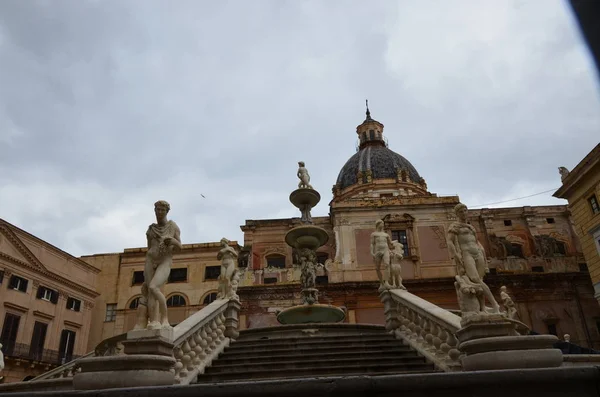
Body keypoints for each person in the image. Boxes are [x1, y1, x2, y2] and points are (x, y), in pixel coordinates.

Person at [447, 203, 499, 313]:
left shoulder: (471, 227)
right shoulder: (454, 226)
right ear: (457, 214)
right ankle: (495, 304)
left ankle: (483, 307)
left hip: (478, 253)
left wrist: (483, 252)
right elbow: (450, 242)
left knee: (479, 281)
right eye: (461, 211)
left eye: (465, 210)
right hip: (466, 254)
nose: (464, 213)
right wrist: (456, 255)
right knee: (475, 279)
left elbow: (476, 241)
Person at [144, 200, 182, 329]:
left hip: (165, 260)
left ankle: (165, 319)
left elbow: (180, 247)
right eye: (157, 210)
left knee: (154, 287)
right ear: (155, 211)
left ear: (167, 211)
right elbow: (149, 247)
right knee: (150, 292)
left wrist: (173, 241)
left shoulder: (173, 226)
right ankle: (154, 321)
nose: (159, 212)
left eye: (162, 210)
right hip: (150, 259)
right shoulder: (151, 228)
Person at [371, 220, 394, 291]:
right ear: (378, 224)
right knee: (377, 268)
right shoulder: (374, 234)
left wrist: (394, 246)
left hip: (385, 250)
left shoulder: (386, 235)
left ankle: (386, 282)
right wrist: (372, 253)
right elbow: (372, 244)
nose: (383, 225)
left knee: (387, 264)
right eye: (382, 224)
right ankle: (381, 283)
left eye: (383, 224)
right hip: (377, 251)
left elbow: (390, 243)